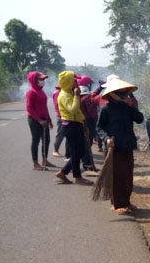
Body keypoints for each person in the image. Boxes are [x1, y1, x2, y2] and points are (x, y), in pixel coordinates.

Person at [96, 77, 144, 214]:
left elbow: (140, 119)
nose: (124, 94)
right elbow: (99, 128)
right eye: (121, 92)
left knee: (127, 176)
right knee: (115, 177)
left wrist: (131, 106)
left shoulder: (128, 107)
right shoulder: (106, 109)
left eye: (125, 92)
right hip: (113, 148)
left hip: (127, 145)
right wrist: (106, 139)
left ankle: (126, 202)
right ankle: (116, 204)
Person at [54, 71, 93, 186]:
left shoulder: (69, 93)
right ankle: (78, 177)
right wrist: (77, 96)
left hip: (76, 124)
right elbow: (72, 109)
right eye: (74, 80)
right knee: (76, 152)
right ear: (68, 82)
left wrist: (83, 123)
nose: (76, 82)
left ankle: (63, 172)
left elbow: (79, 112)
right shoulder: (64, 95)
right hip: (71, 126)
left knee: (80, 151)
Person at [26, 71, 55, 170]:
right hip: (34, 119)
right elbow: (29, 108)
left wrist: (49, 120)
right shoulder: (31, 92)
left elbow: (44, 107)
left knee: (46, 140)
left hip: (44, 119)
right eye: (41, 79)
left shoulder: (41, 91)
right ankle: (35, 163)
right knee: (36, 140)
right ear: (34, 80)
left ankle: (45, 160)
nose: (43, 81)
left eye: (44, 79)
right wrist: (39, 120)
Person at [78, 75, 100, 172]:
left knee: (86, 143)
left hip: (82, 121)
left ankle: (86, 163)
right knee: (88, 142)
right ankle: (88, 164)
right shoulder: (87, 97)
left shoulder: (81, 96)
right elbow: (91, 112)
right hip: (89, 121)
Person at [51, 84, 66, 158]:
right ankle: (55, 150)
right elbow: (57, 105)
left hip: (63, 116)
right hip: (62, 116)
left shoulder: (59, 92)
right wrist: (62, 115)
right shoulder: (57, 93)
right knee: (60, 134)